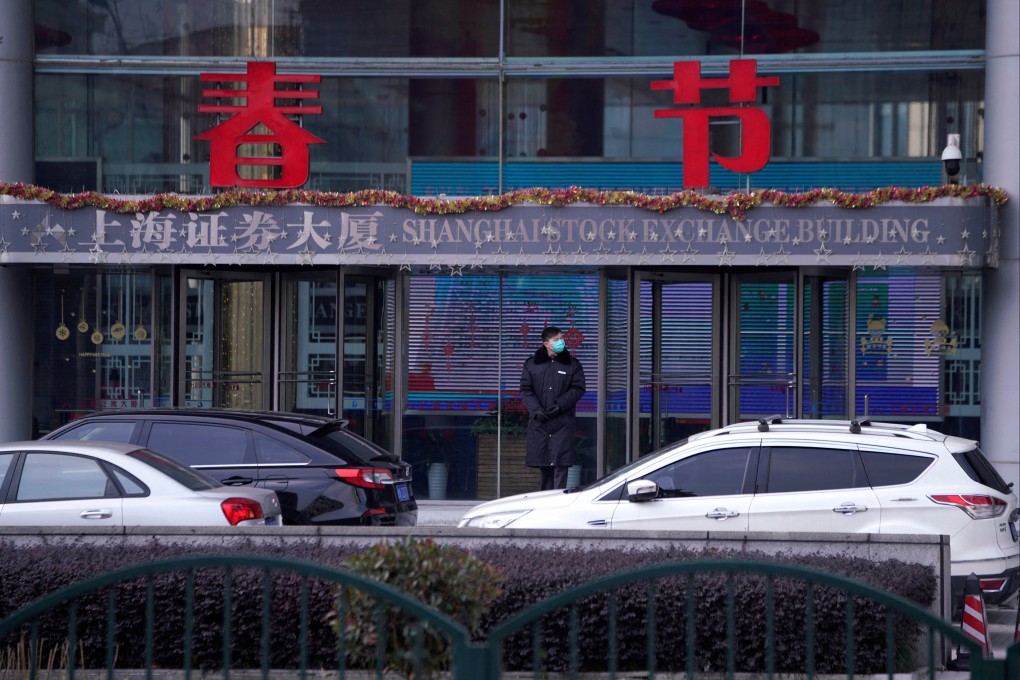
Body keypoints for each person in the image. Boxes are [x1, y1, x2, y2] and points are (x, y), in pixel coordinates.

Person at [520, 326, 586, 490]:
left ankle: (558, 503)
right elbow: (526, 389)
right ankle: (545, 504)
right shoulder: (532, 364)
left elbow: (578, 388)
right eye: (556, 340)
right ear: (546, 344)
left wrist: (559, 406)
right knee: (544, 466)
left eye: (561, 338)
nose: (561, 342)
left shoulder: (572, 364)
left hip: (562, 423)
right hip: (540, 423)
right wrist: (536, 411)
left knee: (560, 465)